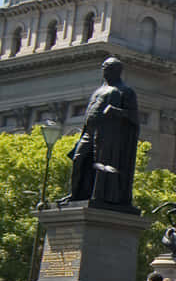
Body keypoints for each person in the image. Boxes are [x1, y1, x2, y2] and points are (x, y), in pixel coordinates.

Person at [59, 56, 140, 208]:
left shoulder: (125, 91)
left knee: (100, 165)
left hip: (108, 136)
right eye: (104, 68)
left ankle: (100, 196)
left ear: (117, 71)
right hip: (89, 133)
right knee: (79, 160)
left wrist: (116, 111)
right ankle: (76, 194)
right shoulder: (98, 91)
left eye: (108, 68)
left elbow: (134, 117)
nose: (105, 71)